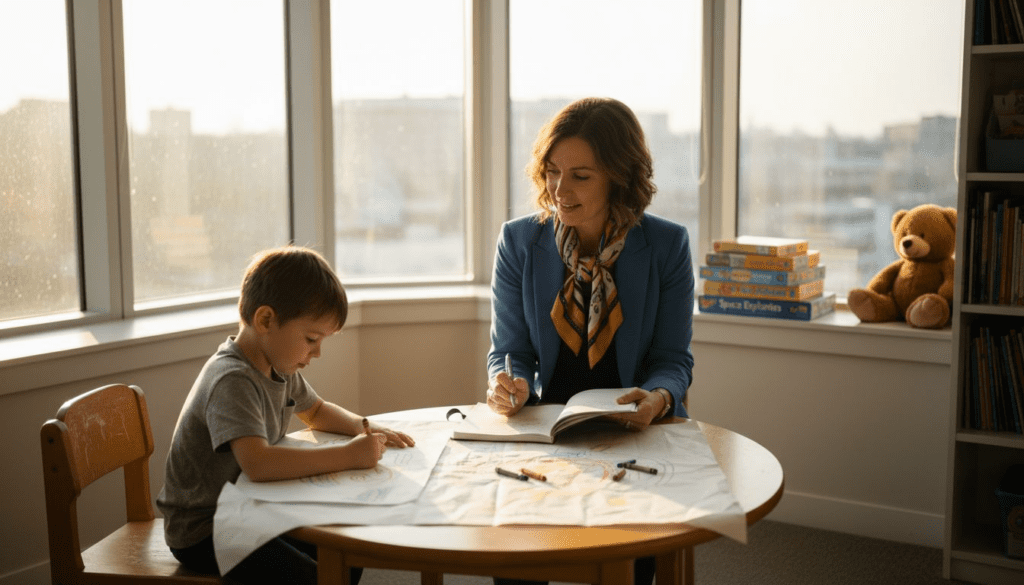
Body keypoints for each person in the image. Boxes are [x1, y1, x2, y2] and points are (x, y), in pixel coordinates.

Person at [487, 97, 694, 585]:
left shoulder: (667, 245)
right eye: (553, 171)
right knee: (514, 544)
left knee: (631, 554)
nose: (560, 189)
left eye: (581, 175)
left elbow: (671, 359)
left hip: (634, 429)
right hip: (546, 425)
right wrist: (509, 382)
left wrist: (659, 396)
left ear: (619, 177)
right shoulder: (519, 242)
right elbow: (510, 349)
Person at [156, 245, 415, 584]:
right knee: (314, 575)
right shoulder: (232, 378)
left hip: (251, 506)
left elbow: (316, 411)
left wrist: (361, 426)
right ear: (266, 320)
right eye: (311, 338)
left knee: (347, 548)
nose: (317, 352)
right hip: (208, 527)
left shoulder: (278, 365)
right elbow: (259, 464)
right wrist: (349, 456)